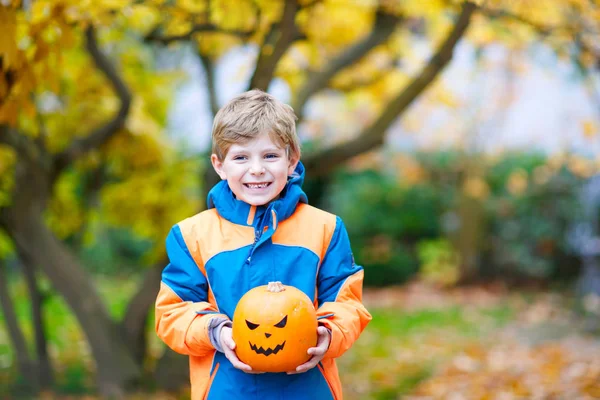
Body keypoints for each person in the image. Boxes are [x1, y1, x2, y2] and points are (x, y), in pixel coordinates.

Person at [155, 89, 371, 399]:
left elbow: (347, 303)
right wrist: (216, 331)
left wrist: (328, 332)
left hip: (308, 389)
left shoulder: (325, 228)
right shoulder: (192, 235)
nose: (257, 169)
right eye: (241, 157)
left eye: (269, 156)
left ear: (292, 160)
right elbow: (172, 313)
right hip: (227, 389)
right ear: (219, 165)